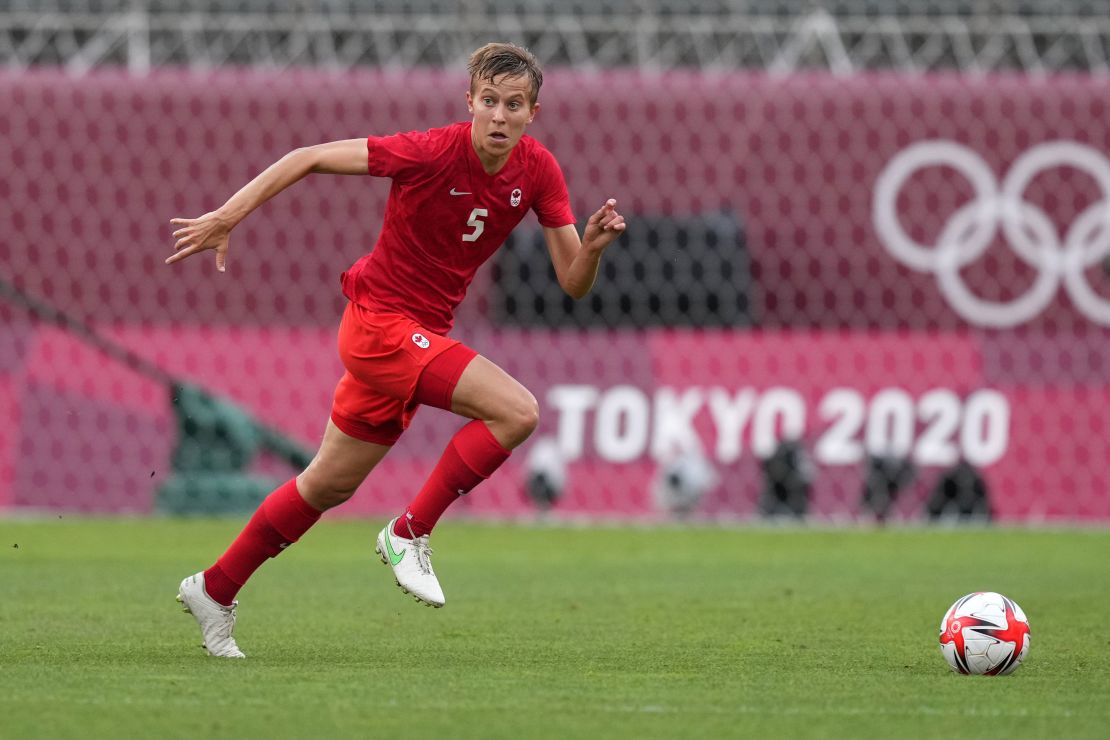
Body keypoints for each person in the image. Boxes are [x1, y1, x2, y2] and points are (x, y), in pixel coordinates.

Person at [166, 42, 626, 658]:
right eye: (488, 101)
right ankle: (409, 531)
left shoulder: (539, 171)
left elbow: (572, 283)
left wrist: (591, 249)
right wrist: (227, 216)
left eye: (512, 105)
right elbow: (308, 158)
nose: (498, 115)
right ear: (469, 103)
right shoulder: (432, 150)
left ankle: (215, 589)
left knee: (325, 487)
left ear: (531, 114)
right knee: (517, 412)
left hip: (418, 338)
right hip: (379, 326)